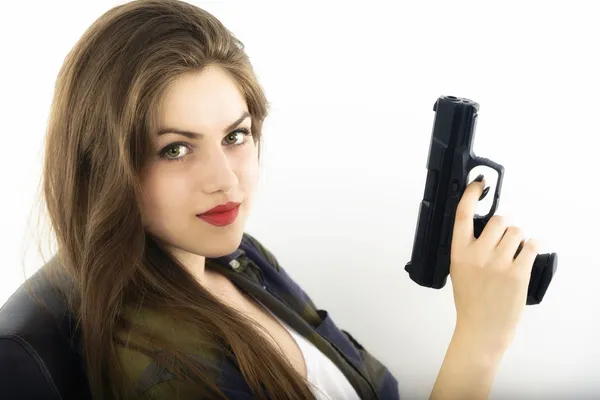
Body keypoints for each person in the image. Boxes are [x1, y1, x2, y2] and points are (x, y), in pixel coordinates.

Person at [37, 0, 540, 399]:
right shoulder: (170, 377)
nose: (225, 181)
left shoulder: (237, 257)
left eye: (235, 136)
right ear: (104, 169)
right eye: (175, 149)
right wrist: (479, 343)